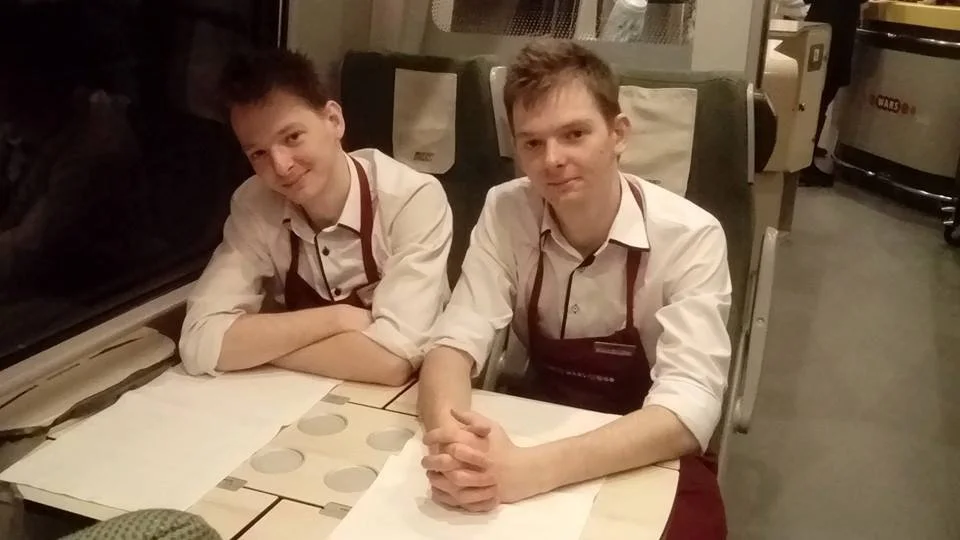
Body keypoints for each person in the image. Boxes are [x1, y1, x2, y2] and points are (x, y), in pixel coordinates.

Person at [416, 41, 730, 535]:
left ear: (618, 133)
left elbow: (689, 408)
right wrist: (452, 443)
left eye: (574, 134)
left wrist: (531, 470)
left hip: (647, 444)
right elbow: (454, 340)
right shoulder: (505, 210)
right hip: (540, 417)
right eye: (532, 143)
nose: (552, 159)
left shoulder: (692, 235)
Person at [178, 48, 453, 385]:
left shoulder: (411, 198)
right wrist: (338, 319)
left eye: (292, 137)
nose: (281, 166)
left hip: (405, 400)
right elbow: (199, 341)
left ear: (334, 121)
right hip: (301, 393)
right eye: (258, 153)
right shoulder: (254, 204)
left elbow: (393, 361)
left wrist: (258, 348)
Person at [799, 0, 868, 187]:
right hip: (837, 28)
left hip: (820, 23)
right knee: (821, 96)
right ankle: (805, 162)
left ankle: (804, 152)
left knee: (813, 94)